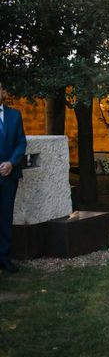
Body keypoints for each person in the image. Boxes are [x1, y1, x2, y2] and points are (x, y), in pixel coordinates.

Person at [0, 79, 27, 274]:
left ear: (3, 92)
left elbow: (21, 143)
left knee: (5, 217)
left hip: (9, 176)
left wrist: (11, 163)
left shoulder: (14, 115)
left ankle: (4, 257)